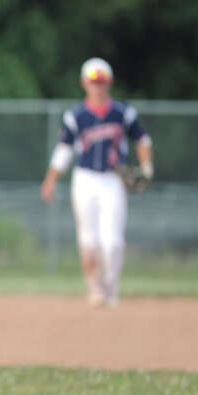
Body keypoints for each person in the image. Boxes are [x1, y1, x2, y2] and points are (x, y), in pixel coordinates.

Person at [40, 58, 153, 307]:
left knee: (112, 242)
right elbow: (64, 151)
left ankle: (111, 289)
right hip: (85, 180)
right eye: (93, 82)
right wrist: (50, 180)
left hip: (113, 179)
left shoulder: (123, 113)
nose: (98, 87)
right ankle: (95, 287)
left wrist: (146, 168)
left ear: (109, 83)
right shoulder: (76, 116)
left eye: (102, 82)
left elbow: (143, 140)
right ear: (84, 84)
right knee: (89, 240)